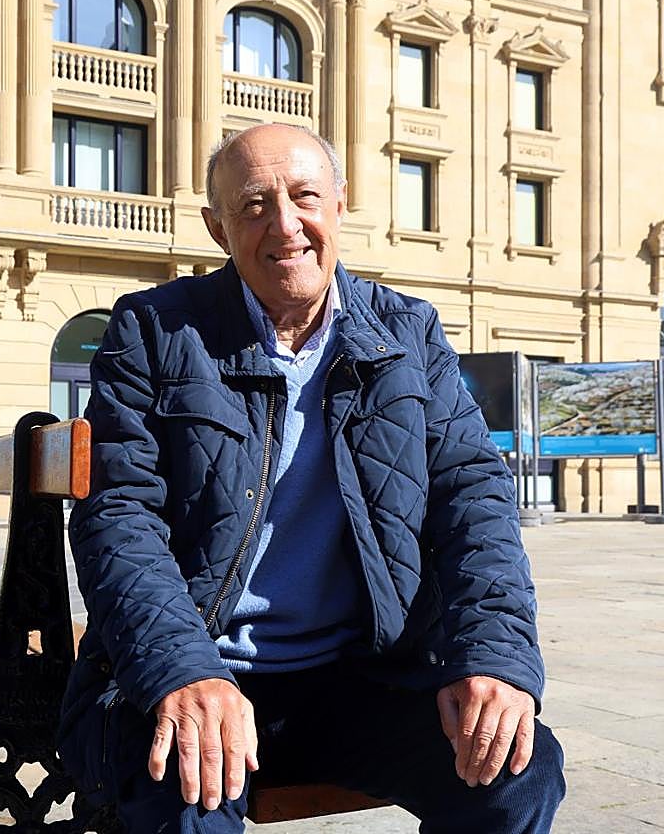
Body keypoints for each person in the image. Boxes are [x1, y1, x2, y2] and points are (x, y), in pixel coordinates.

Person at [59, 123, 565, 834]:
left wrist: (495, 659)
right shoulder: (154, 330)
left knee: (518, 768)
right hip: (203, 667)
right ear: (217, 227)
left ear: (339, 204)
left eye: (304, 197)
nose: (285, 225)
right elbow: (118, 517)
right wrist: (182, 671)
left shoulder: (408, 332)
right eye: (253, 205)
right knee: (185, 792)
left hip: (361, 676)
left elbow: (473, 500)